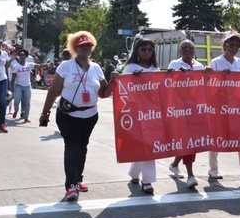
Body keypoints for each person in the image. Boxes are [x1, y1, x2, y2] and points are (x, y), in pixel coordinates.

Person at [39, 31, 114, 201]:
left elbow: (103, 93)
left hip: (90, 116)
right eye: (82, 46)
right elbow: (53, 91)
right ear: (75, 48)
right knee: (72, 147)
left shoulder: (96, 68)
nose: (86, 48)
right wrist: (45, 113)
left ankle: (78, 179)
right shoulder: (65, 66)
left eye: (88, 45)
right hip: (68, 115)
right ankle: (70, 186)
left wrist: (113, 82)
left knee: (83, 147)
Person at [205, 31, 240, 186]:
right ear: (224, 46)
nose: (234, 48)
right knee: (217, 136)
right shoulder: (216, 62)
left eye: (237, 45)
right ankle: (213, 169)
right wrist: (220, 76)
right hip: (220, 106)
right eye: (231, 44)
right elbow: (209, 82)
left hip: (236, 107)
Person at [122, 38, 160, 194]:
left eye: (150, 49)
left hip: (152, 112)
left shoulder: (156, 69)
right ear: (137, 51)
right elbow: (124, 90)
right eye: (143, 49)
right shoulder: (130, 67)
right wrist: (133, 78)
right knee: (141, 143)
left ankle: (137, 175)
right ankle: (147, 180)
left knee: (148, 144)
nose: (147, 52)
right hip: (135, 111)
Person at [167, 39, 205, 188]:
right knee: (188, 138)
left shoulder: (199, 66)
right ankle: (190, 175)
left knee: (190, 139)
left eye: (190, 48)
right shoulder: (174, 64)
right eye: (184, 47)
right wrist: (179, 75)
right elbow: (170, 84)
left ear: (194, 51)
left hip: (195, 108)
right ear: (179, 51)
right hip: (180, 108)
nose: (187, 50)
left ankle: (175, 164)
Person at [9, 49, 47, 123]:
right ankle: (16, 111)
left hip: (27, 86)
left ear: (25, 56)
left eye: (23, 55)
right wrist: (12, 86)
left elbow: (38, 66)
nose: (22, 56)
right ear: (19, 57)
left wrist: (47, 65)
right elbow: (13, 77)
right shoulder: (16, 66)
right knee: (17, 100)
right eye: (20, 55)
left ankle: (26, 117)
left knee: (27, 102)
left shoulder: (29, 65)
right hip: (18, 86)